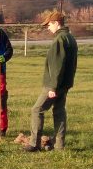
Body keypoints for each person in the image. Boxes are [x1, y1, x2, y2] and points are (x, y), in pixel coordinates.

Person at [25, 11, 77, 152]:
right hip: (65, 84)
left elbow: (56, 66)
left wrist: (52, 87)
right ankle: (59, 146)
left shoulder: (59, 40)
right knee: (59, 111)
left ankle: (34, 144)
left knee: (37, 110)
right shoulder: (70, 38)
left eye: (49, 25)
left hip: (54, 85)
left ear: (56, 23)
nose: (48, 28)